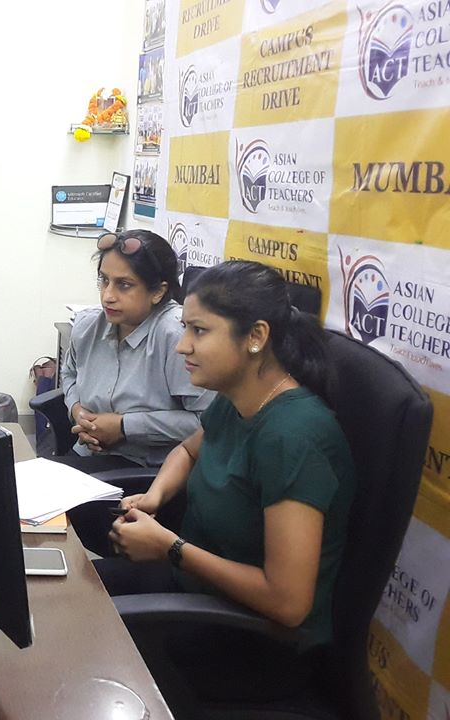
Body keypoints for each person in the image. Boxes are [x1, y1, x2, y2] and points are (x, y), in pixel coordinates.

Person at [102, 260, 355, 703]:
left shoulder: (293, 436)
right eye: (185, 328)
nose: (182, 345)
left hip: (249, 646)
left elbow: (288, 603)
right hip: (195, 593)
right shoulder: (239, 399)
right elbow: (187, 451)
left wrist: (171, 547)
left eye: (199, 331)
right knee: (70, 595)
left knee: (83, 650)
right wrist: (155, 496)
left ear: (256, 336)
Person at [57, 229, 212, 555]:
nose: (108, 296)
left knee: (35, 504)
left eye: (123, 285)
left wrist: (124, 426)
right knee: (18, 490)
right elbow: (69, 373)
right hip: (90, 456)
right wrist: (77, 411)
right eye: (104, 281)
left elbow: (205, 424)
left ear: (158, 292)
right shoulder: (88, 326)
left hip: (144, 472)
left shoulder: (176, 337)